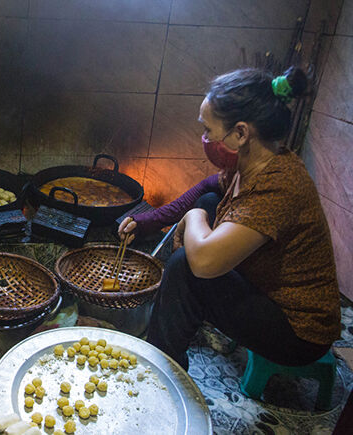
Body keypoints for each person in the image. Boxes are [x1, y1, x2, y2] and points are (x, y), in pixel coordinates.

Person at [118, 67, 341, 371]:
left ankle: (162, 369)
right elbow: (202, 192)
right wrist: (149, 221)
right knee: (210, 202)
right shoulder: (251, 163)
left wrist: (193, 217)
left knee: (185, 267)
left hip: (298, 331)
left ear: (240, 133)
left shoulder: (278, 185)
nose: (205, 138)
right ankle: (179, 329)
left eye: (209, 131)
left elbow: (205, 263)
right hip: (266, 292)